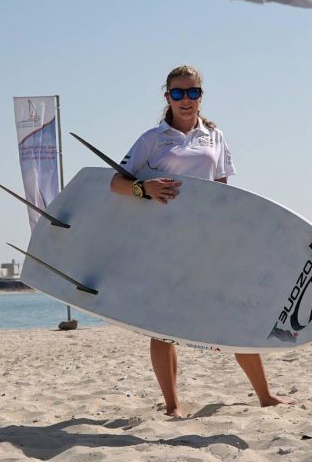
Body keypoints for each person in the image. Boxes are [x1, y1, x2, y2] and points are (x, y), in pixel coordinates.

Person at [110, 65, 293, 417]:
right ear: (167, 97)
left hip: (209, 242)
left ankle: (266, 397)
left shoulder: (214, 135)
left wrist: (231, 234)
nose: (186, 99)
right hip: (166, 243)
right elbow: (115, 183)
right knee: (163, 325)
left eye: (192, 92)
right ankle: (172, 405)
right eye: (178, 93)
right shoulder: (152, 139)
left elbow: (224, 192)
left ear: (201, 96)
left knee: (237, 315)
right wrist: (143, 188)